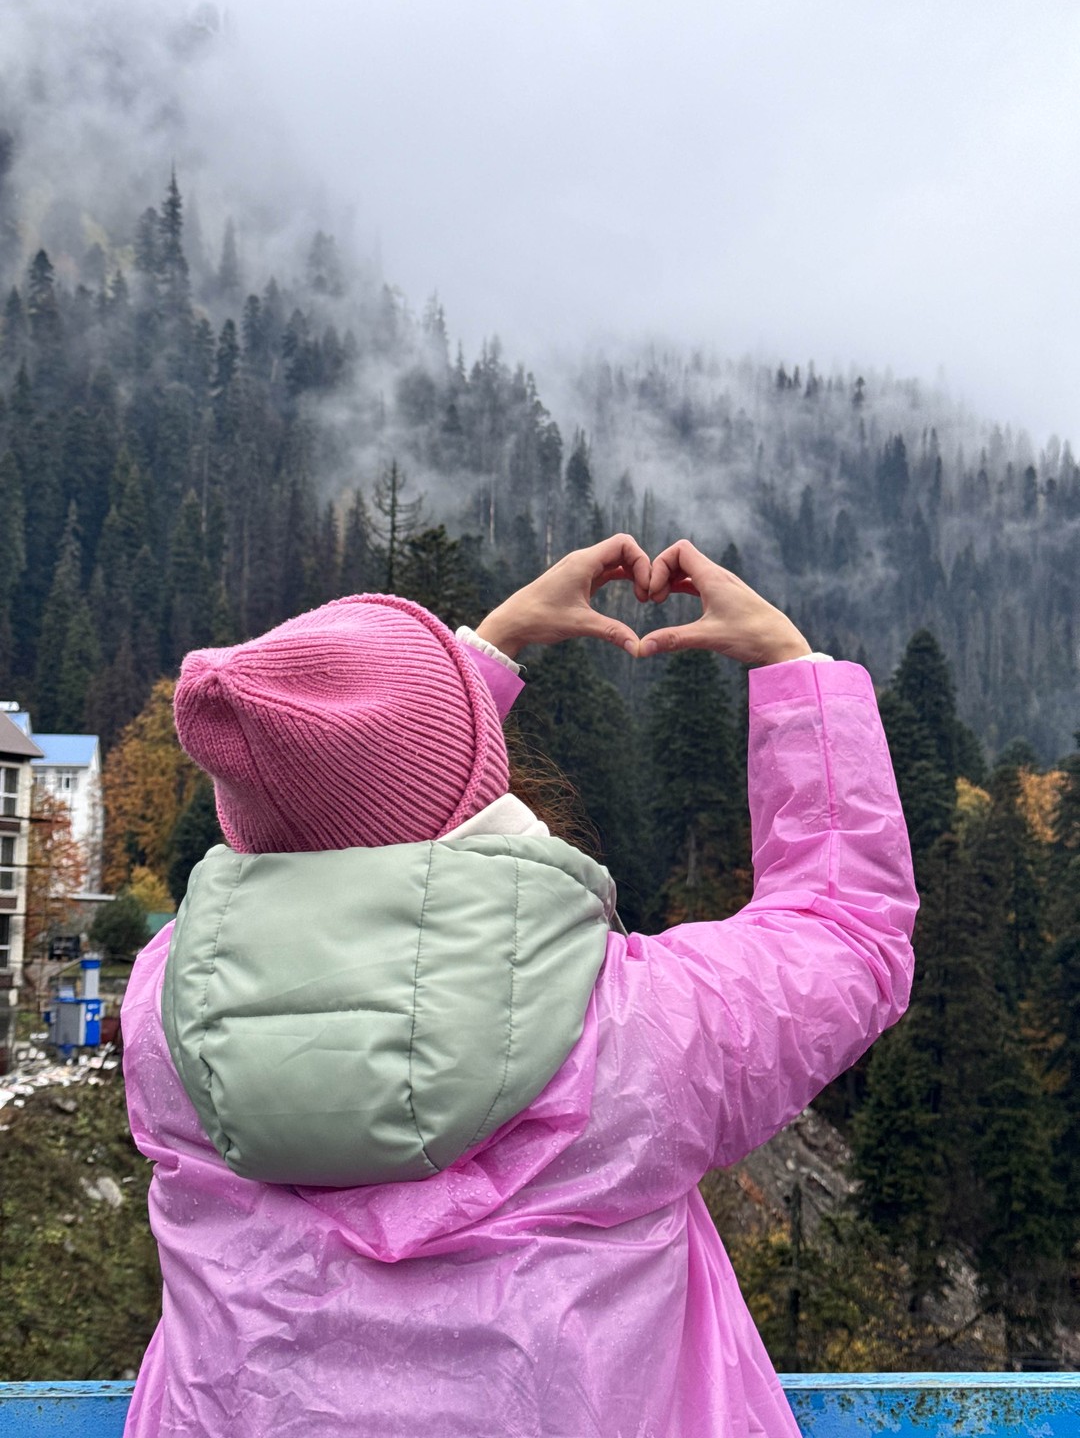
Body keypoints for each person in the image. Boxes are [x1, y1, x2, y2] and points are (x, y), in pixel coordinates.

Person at [121, 534, 917, 1438]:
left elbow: (350, 810)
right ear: (478, 797)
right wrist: (792, 668)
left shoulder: (165, 1022)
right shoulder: (636, 1032)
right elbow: (848, 933)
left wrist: (460, 672)